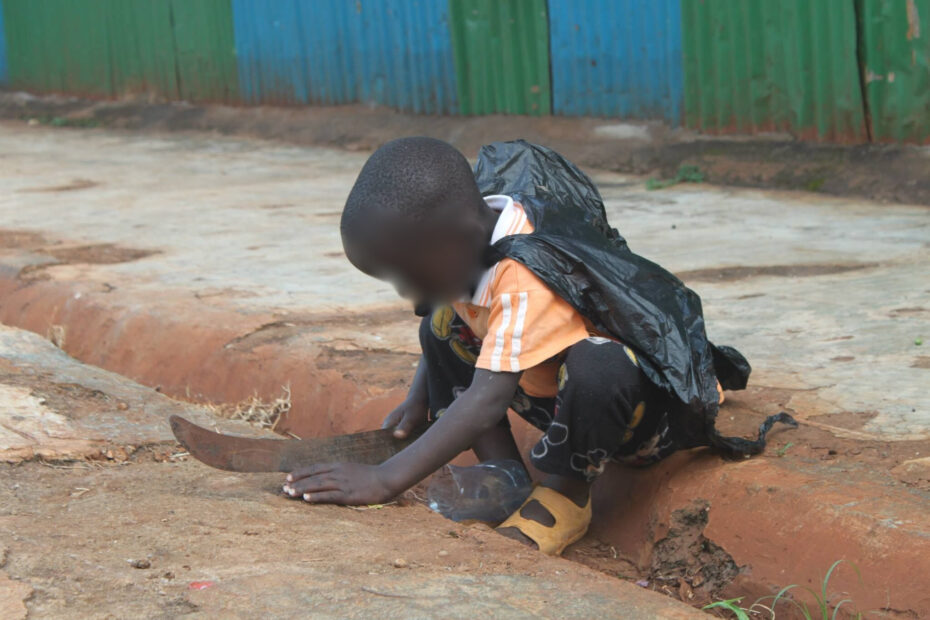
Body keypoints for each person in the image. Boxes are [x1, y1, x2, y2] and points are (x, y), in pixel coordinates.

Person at [282, 137, 791, 555]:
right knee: (439, 320)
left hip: (637, 416)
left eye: (406, 274)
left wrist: (385, 481)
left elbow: (486, 399)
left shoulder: (524, 277)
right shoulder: (468, 243)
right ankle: (505, 475)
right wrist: (421, 395)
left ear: (451, 239)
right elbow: (453, 322)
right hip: (553, 385)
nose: (404, 291)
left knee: (599, 365)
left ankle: (566, 495)